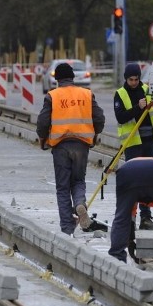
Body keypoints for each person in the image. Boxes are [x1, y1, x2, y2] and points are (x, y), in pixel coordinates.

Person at [36, 62, 105, 236]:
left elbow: (43, 122)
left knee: (62, 187)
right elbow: (99, 118)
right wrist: (95, 134)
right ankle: (80, 203)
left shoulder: (52, 96)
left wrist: (43, 138)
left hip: (60, 145)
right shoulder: (87, 94)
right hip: (81, 144)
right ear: (73, 77)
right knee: (78, 181)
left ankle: (67, 227)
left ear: (57, 79)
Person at [114, 62, 153, 231]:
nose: (134, 82)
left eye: (137, 79)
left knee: (149, 181)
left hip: (149, 142)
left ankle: (146, 218)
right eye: (131, 79)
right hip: (133, 144)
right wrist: (139, 107)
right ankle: (129, 219)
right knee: (134, 182)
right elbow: (121, 117)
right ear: (126, 78)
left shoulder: (147, 89)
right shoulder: (120, 94)